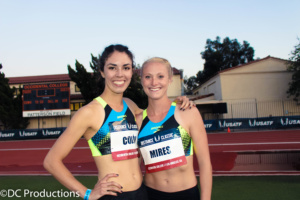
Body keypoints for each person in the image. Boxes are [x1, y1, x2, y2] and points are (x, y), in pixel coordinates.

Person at [43, 44, 193, 200]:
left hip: (142, 193)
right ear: (102, 71)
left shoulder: (131, 105)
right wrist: (86, 193)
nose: (120, 74)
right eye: (112, 68)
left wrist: (177, 103)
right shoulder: (90, 112)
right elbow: (51, 161)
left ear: (131, 72)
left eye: (126, 68)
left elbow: (159, 115)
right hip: (113, 196)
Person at [137, 57, 212, 200]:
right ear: (141, 80)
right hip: (151, 194)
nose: (154, 82)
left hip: (186, 194)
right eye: (148, 77)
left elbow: (205, 164)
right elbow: (133, 166)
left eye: (160, 76)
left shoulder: (187, 112)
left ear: (170, 79)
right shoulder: (138, 120)